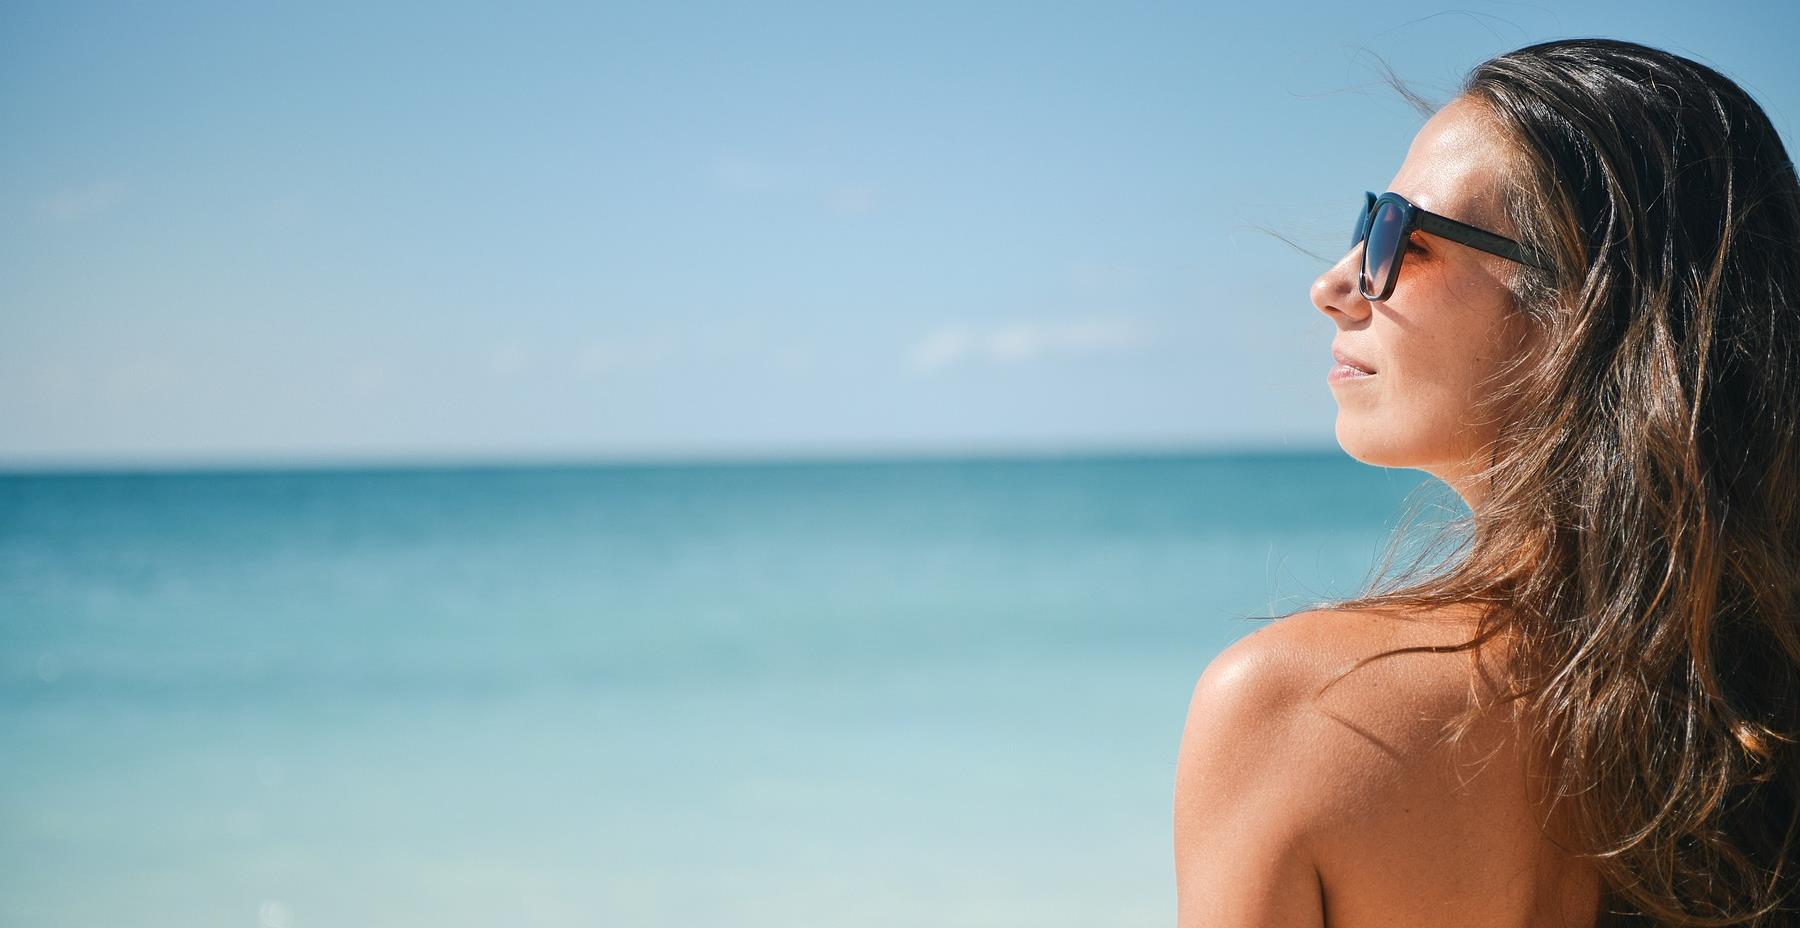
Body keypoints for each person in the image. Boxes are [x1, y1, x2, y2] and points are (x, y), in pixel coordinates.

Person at [1172, 38, 1800, 928]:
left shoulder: (1301, 714)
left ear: (1581, 313)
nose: (1334, 283)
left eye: (1398, 234)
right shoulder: (1755, 712)